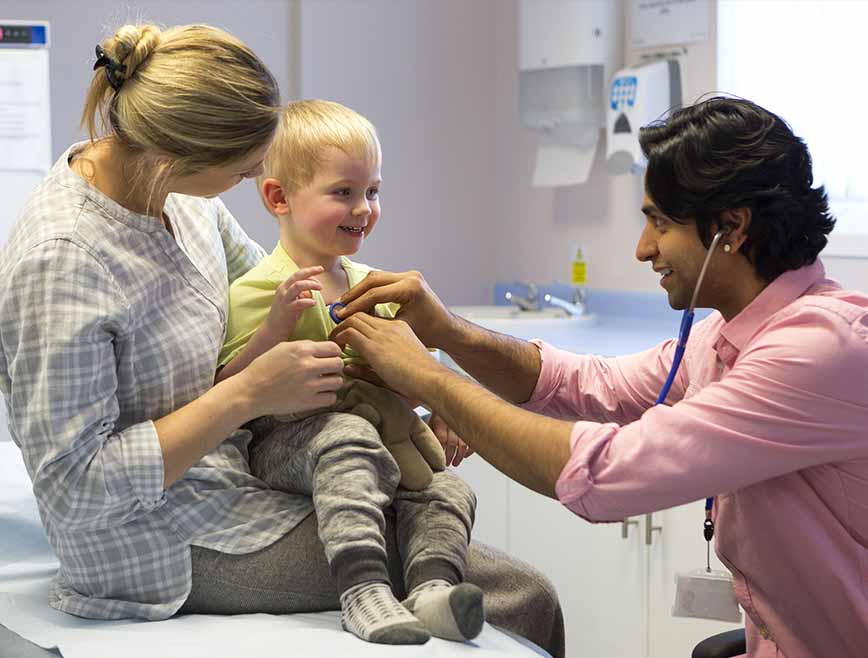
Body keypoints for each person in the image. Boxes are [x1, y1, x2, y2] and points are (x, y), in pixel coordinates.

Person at [0, 24, 564, 658]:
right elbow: (74, 490)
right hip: (152, 540)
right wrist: (244, 394)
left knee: (470, 533)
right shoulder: (63, 261)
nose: (252, 184)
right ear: (179, 154)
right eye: (245, 171)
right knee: (521, 597)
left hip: (239, 486)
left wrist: (413, 384)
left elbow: (286, 300)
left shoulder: (182, 202)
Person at [331, 97, 868, 658]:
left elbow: (605, 474)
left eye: (660, 221)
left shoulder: (818, 352)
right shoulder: (724, 336)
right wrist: (449, 332)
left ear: (730, 227)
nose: (643, 249)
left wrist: (427, 378)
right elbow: (583, 383)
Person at [212, 99, 483, 645]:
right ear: (279, 197)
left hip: (385, 439)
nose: (364, 208)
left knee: (447, 488)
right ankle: (362, 591)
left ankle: (433, 590)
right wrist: (274, 328)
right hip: (283, 442)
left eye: (373, 191)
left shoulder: (374, 286)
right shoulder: (257, 291)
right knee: (349, 437)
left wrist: (446, 410)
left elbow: (411, 372)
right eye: (344, 192)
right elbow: (226, 391)